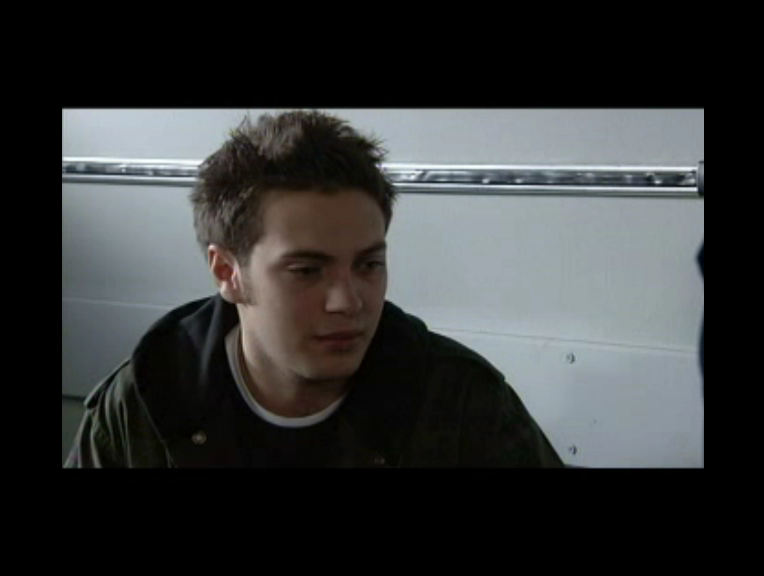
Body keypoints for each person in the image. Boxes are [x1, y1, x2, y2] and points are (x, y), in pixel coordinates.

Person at [64, 110, 563, 468]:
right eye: (307, 270)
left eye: (369, 264)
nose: (349, 301)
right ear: (227, 272)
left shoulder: (459, 401)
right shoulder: (147, 400)